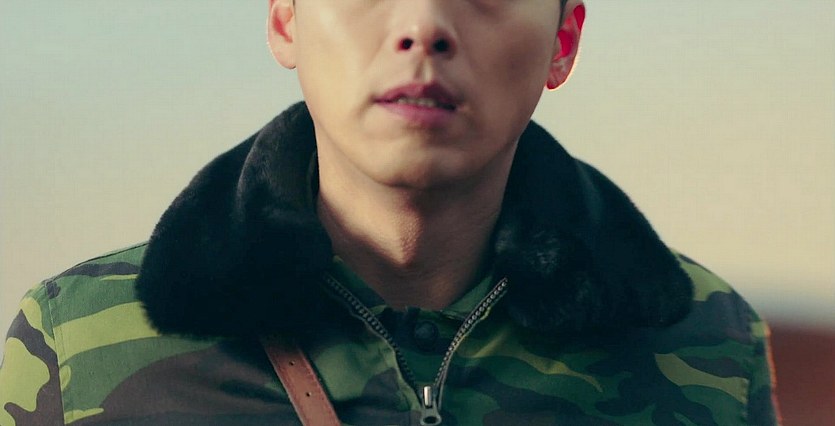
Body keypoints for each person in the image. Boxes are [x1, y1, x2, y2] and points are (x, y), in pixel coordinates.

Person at [0, 0, 779, 424]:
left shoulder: (706, 342)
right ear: (285, 19)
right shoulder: (77, 342)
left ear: (562, 40)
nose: (423, 27)